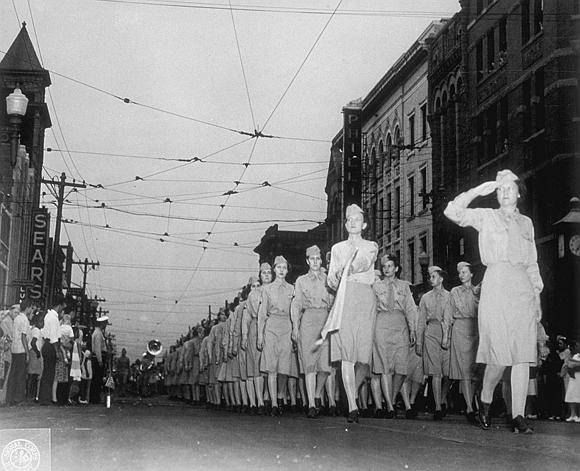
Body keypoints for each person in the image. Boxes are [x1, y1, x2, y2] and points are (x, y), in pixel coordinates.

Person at [444, 169, 543, 434]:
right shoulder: (486, 217)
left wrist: (537, 294)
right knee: (499, 355)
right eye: (500, 189)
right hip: (497, 282)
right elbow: (452, 211)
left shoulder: (527, 224)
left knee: (522, 355)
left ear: (519, 193)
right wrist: (478, 191)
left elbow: (532, 261)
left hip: (522, 286)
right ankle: (485, 400)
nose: (505, 192)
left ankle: (519, 415)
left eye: (509, 187)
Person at [324, 204, 378, 423]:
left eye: (357, 219)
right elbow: (330, 279)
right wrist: (336, 276)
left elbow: (364, 263)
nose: (353, 222)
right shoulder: (337, 248)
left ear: (364, 224)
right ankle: (353, 406)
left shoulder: (371, 245)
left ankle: (351, 394)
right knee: (347, 353)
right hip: (344, 298)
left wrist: (348, 268)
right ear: (345, 224)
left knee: (363, 359)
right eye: (349, 219)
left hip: (364, 298)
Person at [371, 254, 418, 419]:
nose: (386, 268)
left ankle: (390, 397)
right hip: (381, 324)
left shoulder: (405, 287)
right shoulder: (376, 286)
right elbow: (370, 310)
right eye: (384, 266)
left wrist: (413, 329)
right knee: (384, 366)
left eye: (390, 265)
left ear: (396, 268)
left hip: (400, 324)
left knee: (401, 368)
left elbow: (411, 309)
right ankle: (390, 407)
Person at [290, 245, 334, 418]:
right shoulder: (301, 281)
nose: (315, 262)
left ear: (321, 260)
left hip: (325, 320)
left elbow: (334, 302)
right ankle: (311, 404)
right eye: (312, 259)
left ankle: (316, 394)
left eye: (318, 258)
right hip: (308, 321)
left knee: (325, 366)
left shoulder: (329, 279)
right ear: (307, 261)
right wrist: (295, 326)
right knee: (309, 365)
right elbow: (296, 304)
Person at [258, 255, 295, 417]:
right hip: (271, 326)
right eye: (279, 267)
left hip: (287, 326)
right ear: (274, 269)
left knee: (284, 367)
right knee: (271, 367)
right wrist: (260, 335)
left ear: (287, 271)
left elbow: (295, 312)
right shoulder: (267, 289)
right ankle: (273, 403)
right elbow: (261, 315)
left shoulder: (292, 289)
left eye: (284, 268)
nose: (281, 270)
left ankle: (280, 395)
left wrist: (296, 331)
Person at [416, 266, 452, 420]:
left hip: (447, 333)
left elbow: (451, 318)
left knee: (449, 372)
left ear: (441, 278)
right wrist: (419, 341)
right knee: (435, 372)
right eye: (430, 276)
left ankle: (442, 397)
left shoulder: (450, 296)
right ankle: (438, 406)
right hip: (431, 332)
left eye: (434, 276)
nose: (431, 279)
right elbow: (421, 321)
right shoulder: (426, 298)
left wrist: (448, 336)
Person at [449, 262, 480, 423]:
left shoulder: (478, 291)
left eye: (464, 272)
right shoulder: (454, 291)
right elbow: (449, 314)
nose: (461, 275)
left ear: (471, 274)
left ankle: (472, 402)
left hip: (475, 329)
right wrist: (446, 337)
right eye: (459, 272)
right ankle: (469, 407)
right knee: (464, 371)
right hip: (460, 329)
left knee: (474, 372)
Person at [242, 265, 272, 414]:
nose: (266, 275)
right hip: (255, 328)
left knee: (272, 366)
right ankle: (259, 401)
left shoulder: (275, 289)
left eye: (269, 273)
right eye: (263, 273)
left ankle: (269, 398)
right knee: (257, 365)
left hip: (273, 326)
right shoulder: (254, 294)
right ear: (260, 275)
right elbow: (247, 317)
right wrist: (244, 336)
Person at [38, 295, 67, 405]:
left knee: (47, 372)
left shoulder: (48, 315)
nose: (62, 311)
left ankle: (43, 397)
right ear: (59, 306)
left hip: (46, 345)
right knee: (49, 373)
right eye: (62, 308)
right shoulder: (54, 318)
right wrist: (57, 352)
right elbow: (54, 338)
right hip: (51, 346)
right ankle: (45, 399)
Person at [5, 302, 30, 405]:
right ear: (28, 308)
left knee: (13, 375)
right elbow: (23, 337)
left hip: (14, 349)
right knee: (21, 375)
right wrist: (27, 352)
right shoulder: (25, 320)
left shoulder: (16, 318)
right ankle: (18, 399)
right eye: (31, 308)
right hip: (21, 350)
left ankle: (9, 398)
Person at [90, 315, 109, 404]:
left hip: (98, 357)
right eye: (105, 323)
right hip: (98, 358)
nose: (105, 325)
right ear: (102, 324)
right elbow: (97, 348)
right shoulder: (98, 333)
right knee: (97, 378)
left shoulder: (98, 332)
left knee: (97, 378)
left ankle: (95, 397)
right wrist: (100, 360)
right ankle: (95, 398)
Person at [27, 312, 44, 401]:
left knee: (33, 374)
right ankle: (30, 395)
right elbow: (33, 342)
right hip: (34, 352)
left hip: (33, 352)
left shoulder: (34, 329)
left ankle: (30, 395)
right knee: (33, 374)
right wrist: (37, 352)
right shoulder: (36, 330)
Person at [564, 341, 580, 422]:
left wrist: (575, 365)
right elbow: (570, 365)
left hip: (579, 377)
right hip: (573, 378)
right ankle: (573, 415)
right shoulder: (575, 356)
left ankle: (578, 415)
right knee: (571, 395)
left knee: (578, 396)